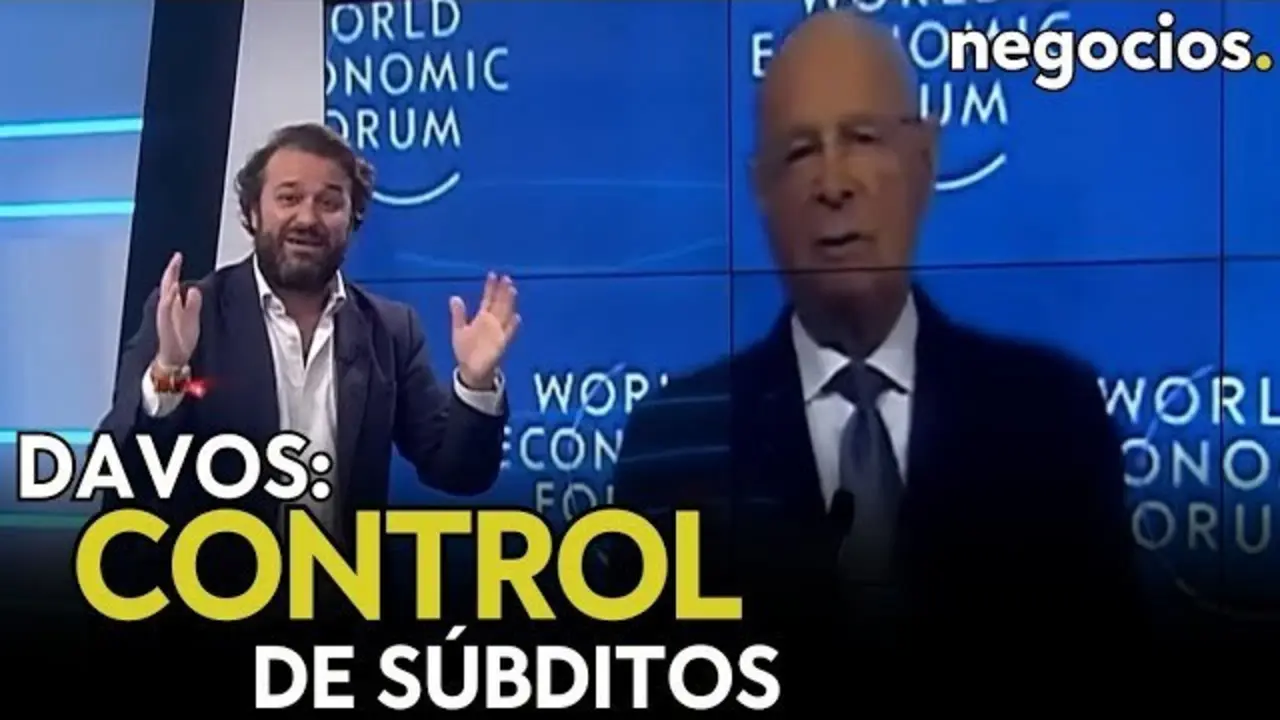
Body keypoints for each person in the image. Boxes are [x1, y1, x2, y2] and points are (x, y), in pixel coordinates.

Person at [607, 10, 1140, 672]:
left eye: (861, 138)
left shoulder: (1050, 418)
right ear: (762, 190)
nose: (834, 184)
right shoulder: (675, 441)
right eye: (800, 152)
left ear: (924, 160)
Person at [97, 122, 519, 614]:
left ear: (352, 218)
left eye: (329, 202)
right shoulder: (189, 313)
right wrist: (170, 369)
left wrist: (475, 382)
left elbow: (459, 471)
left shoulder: (389, 330)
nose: (307, 218)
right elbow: (123, 473)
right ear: (253, 212)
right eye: (289, 198)